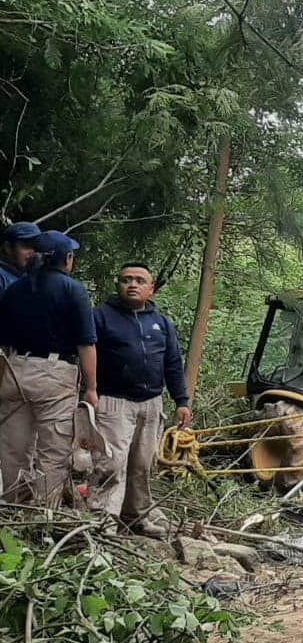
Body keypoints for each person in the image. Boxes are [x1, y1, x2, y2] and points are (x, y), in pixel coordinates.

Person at [90, 262, 190, 536]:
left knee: (143, 464)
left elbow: (172, 363)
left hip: (151, 403)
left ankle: (136, 517)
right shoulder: (101, 316)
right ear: (118, 285)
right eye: (126, 280)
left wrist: (182, 400)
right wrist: (87, 393)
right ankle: (102, 520)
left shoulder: (161, 323)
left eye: (139, 280)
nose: (132, 284)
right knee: (111, 463)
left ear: (151, 288)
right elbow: (86, 356)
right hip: (113, 401)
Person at [0, 230, 97, 505]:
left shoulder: (13, 290)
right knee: (53, 450)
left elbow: (3, 345)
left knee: (12, 449)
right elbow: (86, 344)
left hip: (15, 369)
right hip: (54, 375)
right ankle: (43, 513)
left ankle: (12, 509)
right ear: (67, 259)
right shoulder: (73, 290)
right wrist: (91, 388)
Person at [0, 222, 41, 291]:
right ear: (8, 248)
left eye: (36, 246)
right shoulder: (2, 277)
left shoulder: (28, 274)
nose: (33, 252)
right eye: (27, 245)